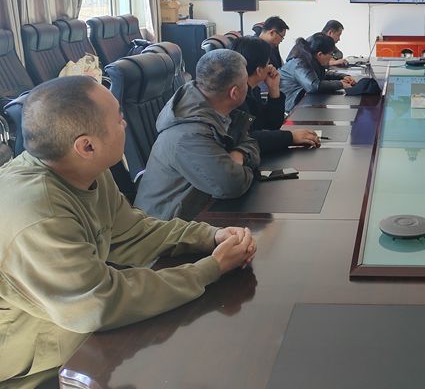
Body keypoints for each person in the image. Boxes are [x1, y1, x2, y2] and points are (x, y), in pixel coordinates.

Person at [0, 76, 256, 385]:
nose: (125, 123)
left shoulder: (82, 169)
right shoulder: (38, 214)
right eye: (119, 118)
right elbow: (101, 302)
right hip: (33, 372)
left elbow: (132, 232)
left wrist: (209, 236)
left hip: (75, 337)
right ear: (87, 145)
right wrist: (210, 269)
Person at [135, 50, 260, 221]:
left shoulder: (217, 110)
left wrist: (240, 154)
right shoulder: (189, 135)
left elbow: (250, 141)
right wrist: (244, 165)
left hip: (200, 212)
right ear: (234, 93)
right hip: (170, 227)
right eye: (246, 82)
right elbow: (232, 184)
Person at [231, 36, 320, 151]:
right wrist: (291, 137)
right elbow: (246, 138)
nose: (270, 67)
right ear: (259, 70)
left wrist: (273, 89)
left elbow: (271, 125)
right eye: (267, 63)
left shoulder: (253, 90)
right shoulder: (235, 97)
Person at [280, 33, 356, 112]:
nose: (332, 57)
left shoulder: (311, 59)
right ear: (320, 54)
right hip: (290, 109)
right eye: (331, 54)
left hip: (302, 101)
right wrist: (341, 84)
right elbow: (313, 86)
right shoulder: (299, 63)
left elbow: (321, 75)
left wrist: (342, 76)